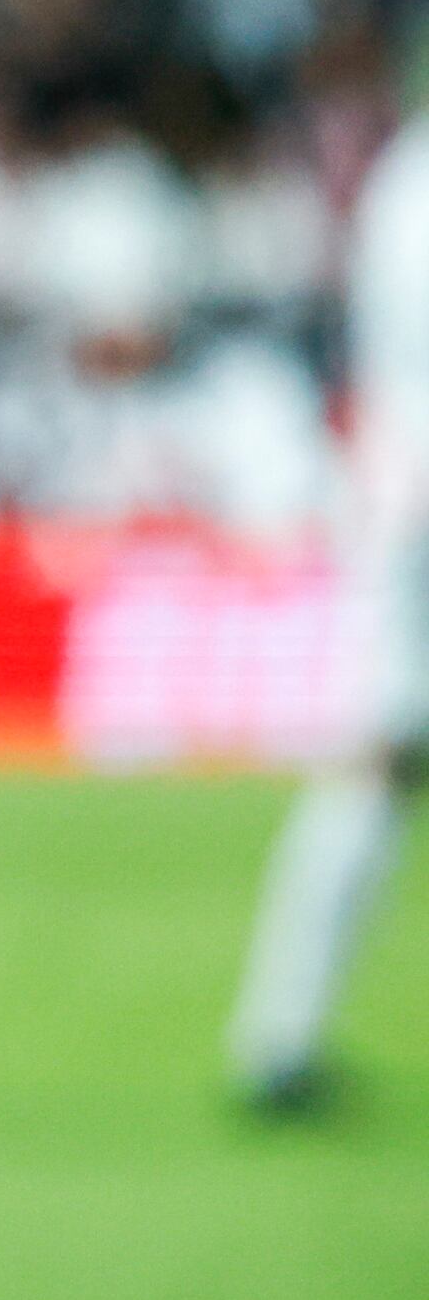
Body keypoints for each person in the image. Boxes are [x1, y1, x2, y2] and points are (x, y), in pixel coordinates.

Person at [227, 86, 429, 1108]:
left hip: (399, 510)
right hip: (414, 523)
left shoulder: (401, 187)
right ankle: (275, 1037)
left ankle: (278, 1033)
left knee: (376, 765)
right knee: (374, 763)